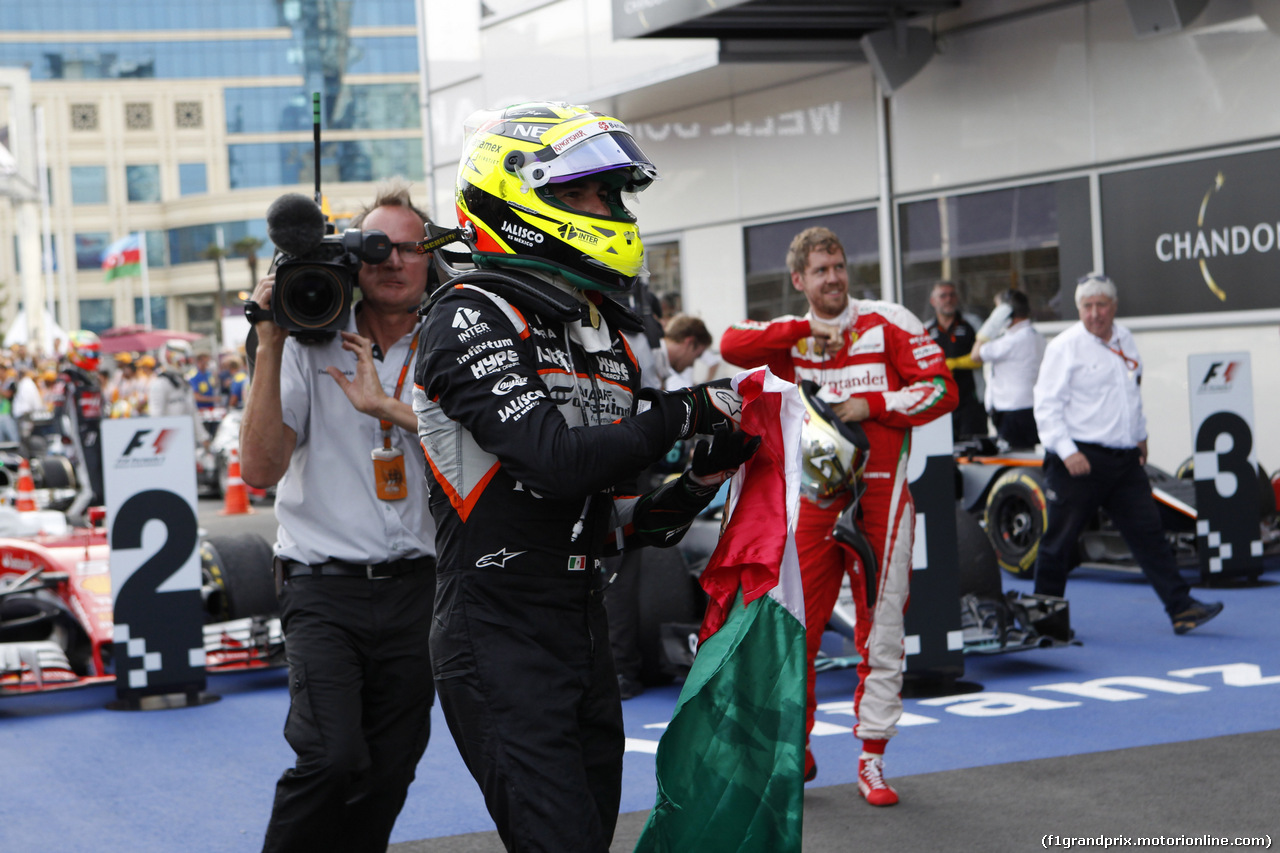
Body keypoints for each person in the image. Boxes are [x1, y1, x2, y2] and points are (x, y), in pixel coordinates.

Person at [414, 101, 755, 851]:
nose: (612, 209)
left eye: (613, 193)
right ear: (520, 197)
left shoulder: (607, 337)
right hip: (495, 625)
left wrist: (701, 477)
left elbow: (629, 524)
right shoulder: (469, 314)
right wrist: (684, 411)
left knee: (587, 837)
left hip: (581, 620)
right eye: (588, 193)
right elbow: (554, 461)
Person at [720, 226, 958, 806]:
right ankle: (792, 749)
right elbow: (731, 344)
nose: (833, 278)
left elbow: (942, 390)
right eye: (821, 270)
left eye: (839, 266)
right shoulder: (792, 336)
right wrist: (808, 330)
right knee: (795, 628)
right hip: (815, 505)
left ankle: (873, 759)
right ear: (799, 280)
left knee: (883, 630)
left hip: (883, 500)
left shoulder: (889, 320)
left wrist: (873, 404)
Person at [240, 179, 439, 853]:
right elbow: (260, 472)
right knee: (329, 756)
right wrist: (268, 344)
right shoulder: (306, 337)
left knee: (389, 771)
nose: (391, 260)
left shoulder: (453, 344)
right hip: (321, 586)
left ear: (430, 258)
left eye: (408, 247)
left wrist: (389, 407)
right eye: (375, 245)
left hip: (422, 588)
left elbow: (484, 449)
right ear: (350, 255)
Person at [1032, 273, 1224, 635]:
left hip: (1123, 461)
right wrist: (1068, 451)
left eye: (1101, 305)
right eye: (1087, 307)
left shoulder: (1126, 340)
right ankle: (1044, 621)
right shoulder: (1064, 347)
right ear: (1078, 309)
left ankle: (1181, 609)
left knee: (1150, 535)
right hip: (1078, 461)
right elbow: (1046, 407)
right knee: (1059, 542)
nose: (1094, 314)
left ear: (1114, 307)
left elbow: (1130, 394)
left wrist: (1140, 436)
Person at [968, 289, 1046, 449]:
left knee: (1016, 457)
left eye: (997, 310)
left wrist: (990, 326)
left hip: (1012, 412)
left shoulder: (1012, 340)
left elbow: (975, 355)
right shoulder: (1035, 335)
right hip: (1028, 407)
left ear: (1005, 313)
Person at [49, 331, 107, 519]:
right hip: (79, 441)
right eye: (91, 354)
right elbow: (57, 414)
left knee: (102, 490)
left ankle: (96, 526)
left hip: (98, 438)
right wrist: (67, 443)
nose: (95, 359)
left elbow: (103, 408)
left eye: (97, 354)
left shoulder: (94, 379)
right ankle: (70, 521)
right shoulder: (67, 379)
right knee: (90, 491)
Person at [924, 280, 988, 441]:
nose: (948, 299)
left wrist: (955, 363)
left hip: (971, 401)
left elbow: (984, 353)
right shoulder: (925, 330)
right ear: (933, 301)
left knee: (974, 450)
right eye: (943, 296)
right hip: (939, 402)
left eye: (952, 295)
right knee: (944, 451)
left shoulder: (972, 323)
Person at [148, 340, 205, 446]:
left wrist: (203, 437)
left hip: (187, 439)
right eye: (185, 360)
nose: (188, 363)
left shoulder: (184, 382)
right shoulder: (160, 384)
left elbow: (193, 411)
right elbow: (156, 417)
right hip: (170, 442)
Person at [652, 313, 712, 391]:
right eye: (697, 355)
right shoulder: (650, 361)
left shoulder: (656, 360)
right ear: (689, 343)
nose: (691, 365)